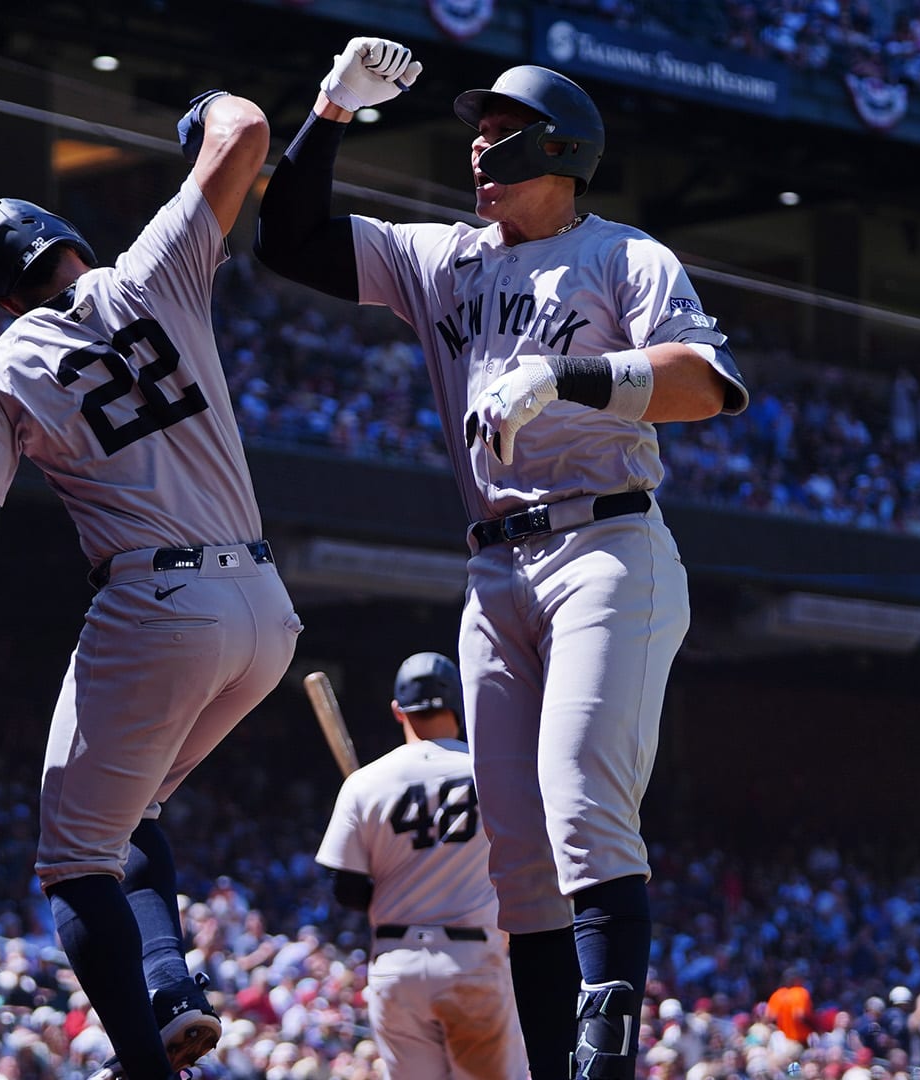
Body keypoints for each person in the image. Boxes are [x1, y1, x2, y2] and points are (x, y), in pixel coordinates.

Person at [257, 40, 748, 1079]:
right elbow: (288, 241)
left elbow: (704, 384)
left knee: (578, 796)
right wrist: (330, 112)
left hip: (607, 541)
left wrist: (565, 378)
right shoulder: (447, 256)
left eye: (503, 138)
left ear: (563, 151)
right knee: (517, 855)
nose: (479, 153)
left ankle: (606, 1052)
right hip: (495, 565)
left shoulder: (625, 255)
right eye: (475, 137)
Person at [0, 87, 299, 1080]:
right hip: (267, 611)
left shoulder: (4, 365)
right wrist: (205, 112)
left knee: (71, 860)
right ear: (69, 243)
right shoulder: (152, 273)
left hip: (161, 603)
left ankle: (143, 1065)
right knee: (125, 820)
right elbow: (248, 129)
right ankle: (174, 991)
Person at [314, 652, 525, 1079]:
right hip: (471, 960)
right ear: (459, 705)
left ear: (398, 710)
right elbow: (527, 865)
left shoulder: (366, 782)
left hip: (397, 964)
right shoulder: (493, 774)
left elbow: (345, 890)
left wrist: (398, 881)